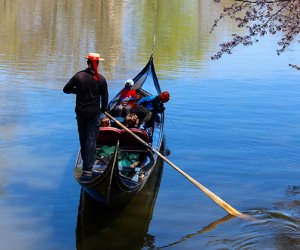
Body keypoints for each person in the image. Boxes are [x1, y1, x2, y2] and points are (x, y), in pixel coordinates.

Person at [63, 52, 108, 179]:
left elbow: (66, 89)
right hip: (94, 114)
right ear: (97, 63)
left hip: (81, 114)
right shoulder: (101, 79)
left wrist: (77, 90)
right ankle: (88, 170)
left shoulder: (79, 76)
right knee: (91, 140)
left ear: (87, 62)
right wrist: (103, 112)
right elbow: (105, 101)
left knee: (83, 139)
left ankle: (85, 166)